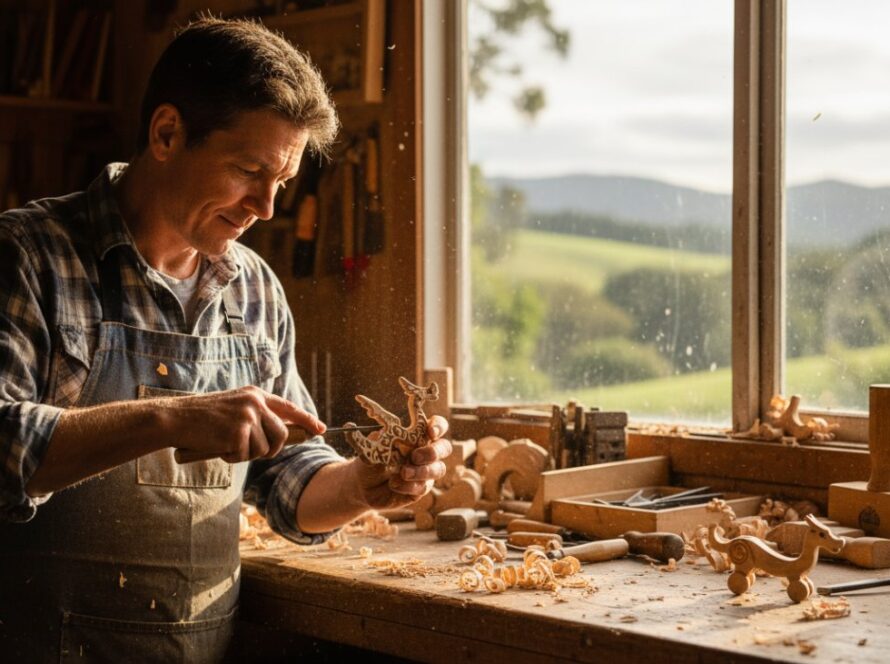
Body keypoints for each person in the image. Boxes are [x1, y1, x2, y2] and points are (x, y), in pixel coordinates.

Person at [0, 15, 450, 662]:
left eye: (284, 183)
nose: (267, 207)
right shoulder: (30, 255)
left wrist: (362, 486)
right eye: (248, 170)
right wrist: (173, 416)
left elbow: (287, 477)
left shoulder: (254, 290)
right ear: (166, 133)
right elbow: (4, 442)